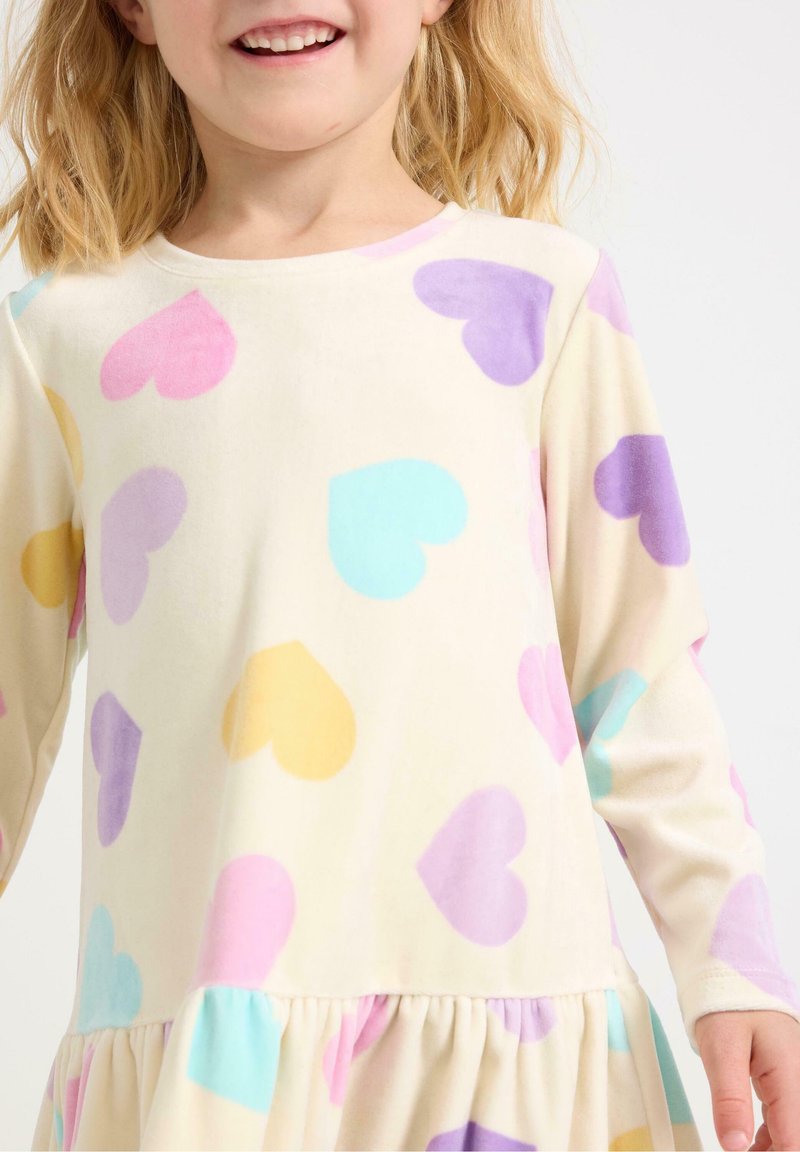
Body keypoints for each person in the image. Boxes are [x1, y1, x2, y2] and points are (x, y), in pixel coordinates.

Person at [0, 0, 797, 1148]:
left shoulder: (542, 299)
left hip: (513, 1061)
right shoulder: (61, 337)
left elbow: (641, 673)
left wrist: (729, 961)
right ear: (131, 8)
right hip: (216, 1082)